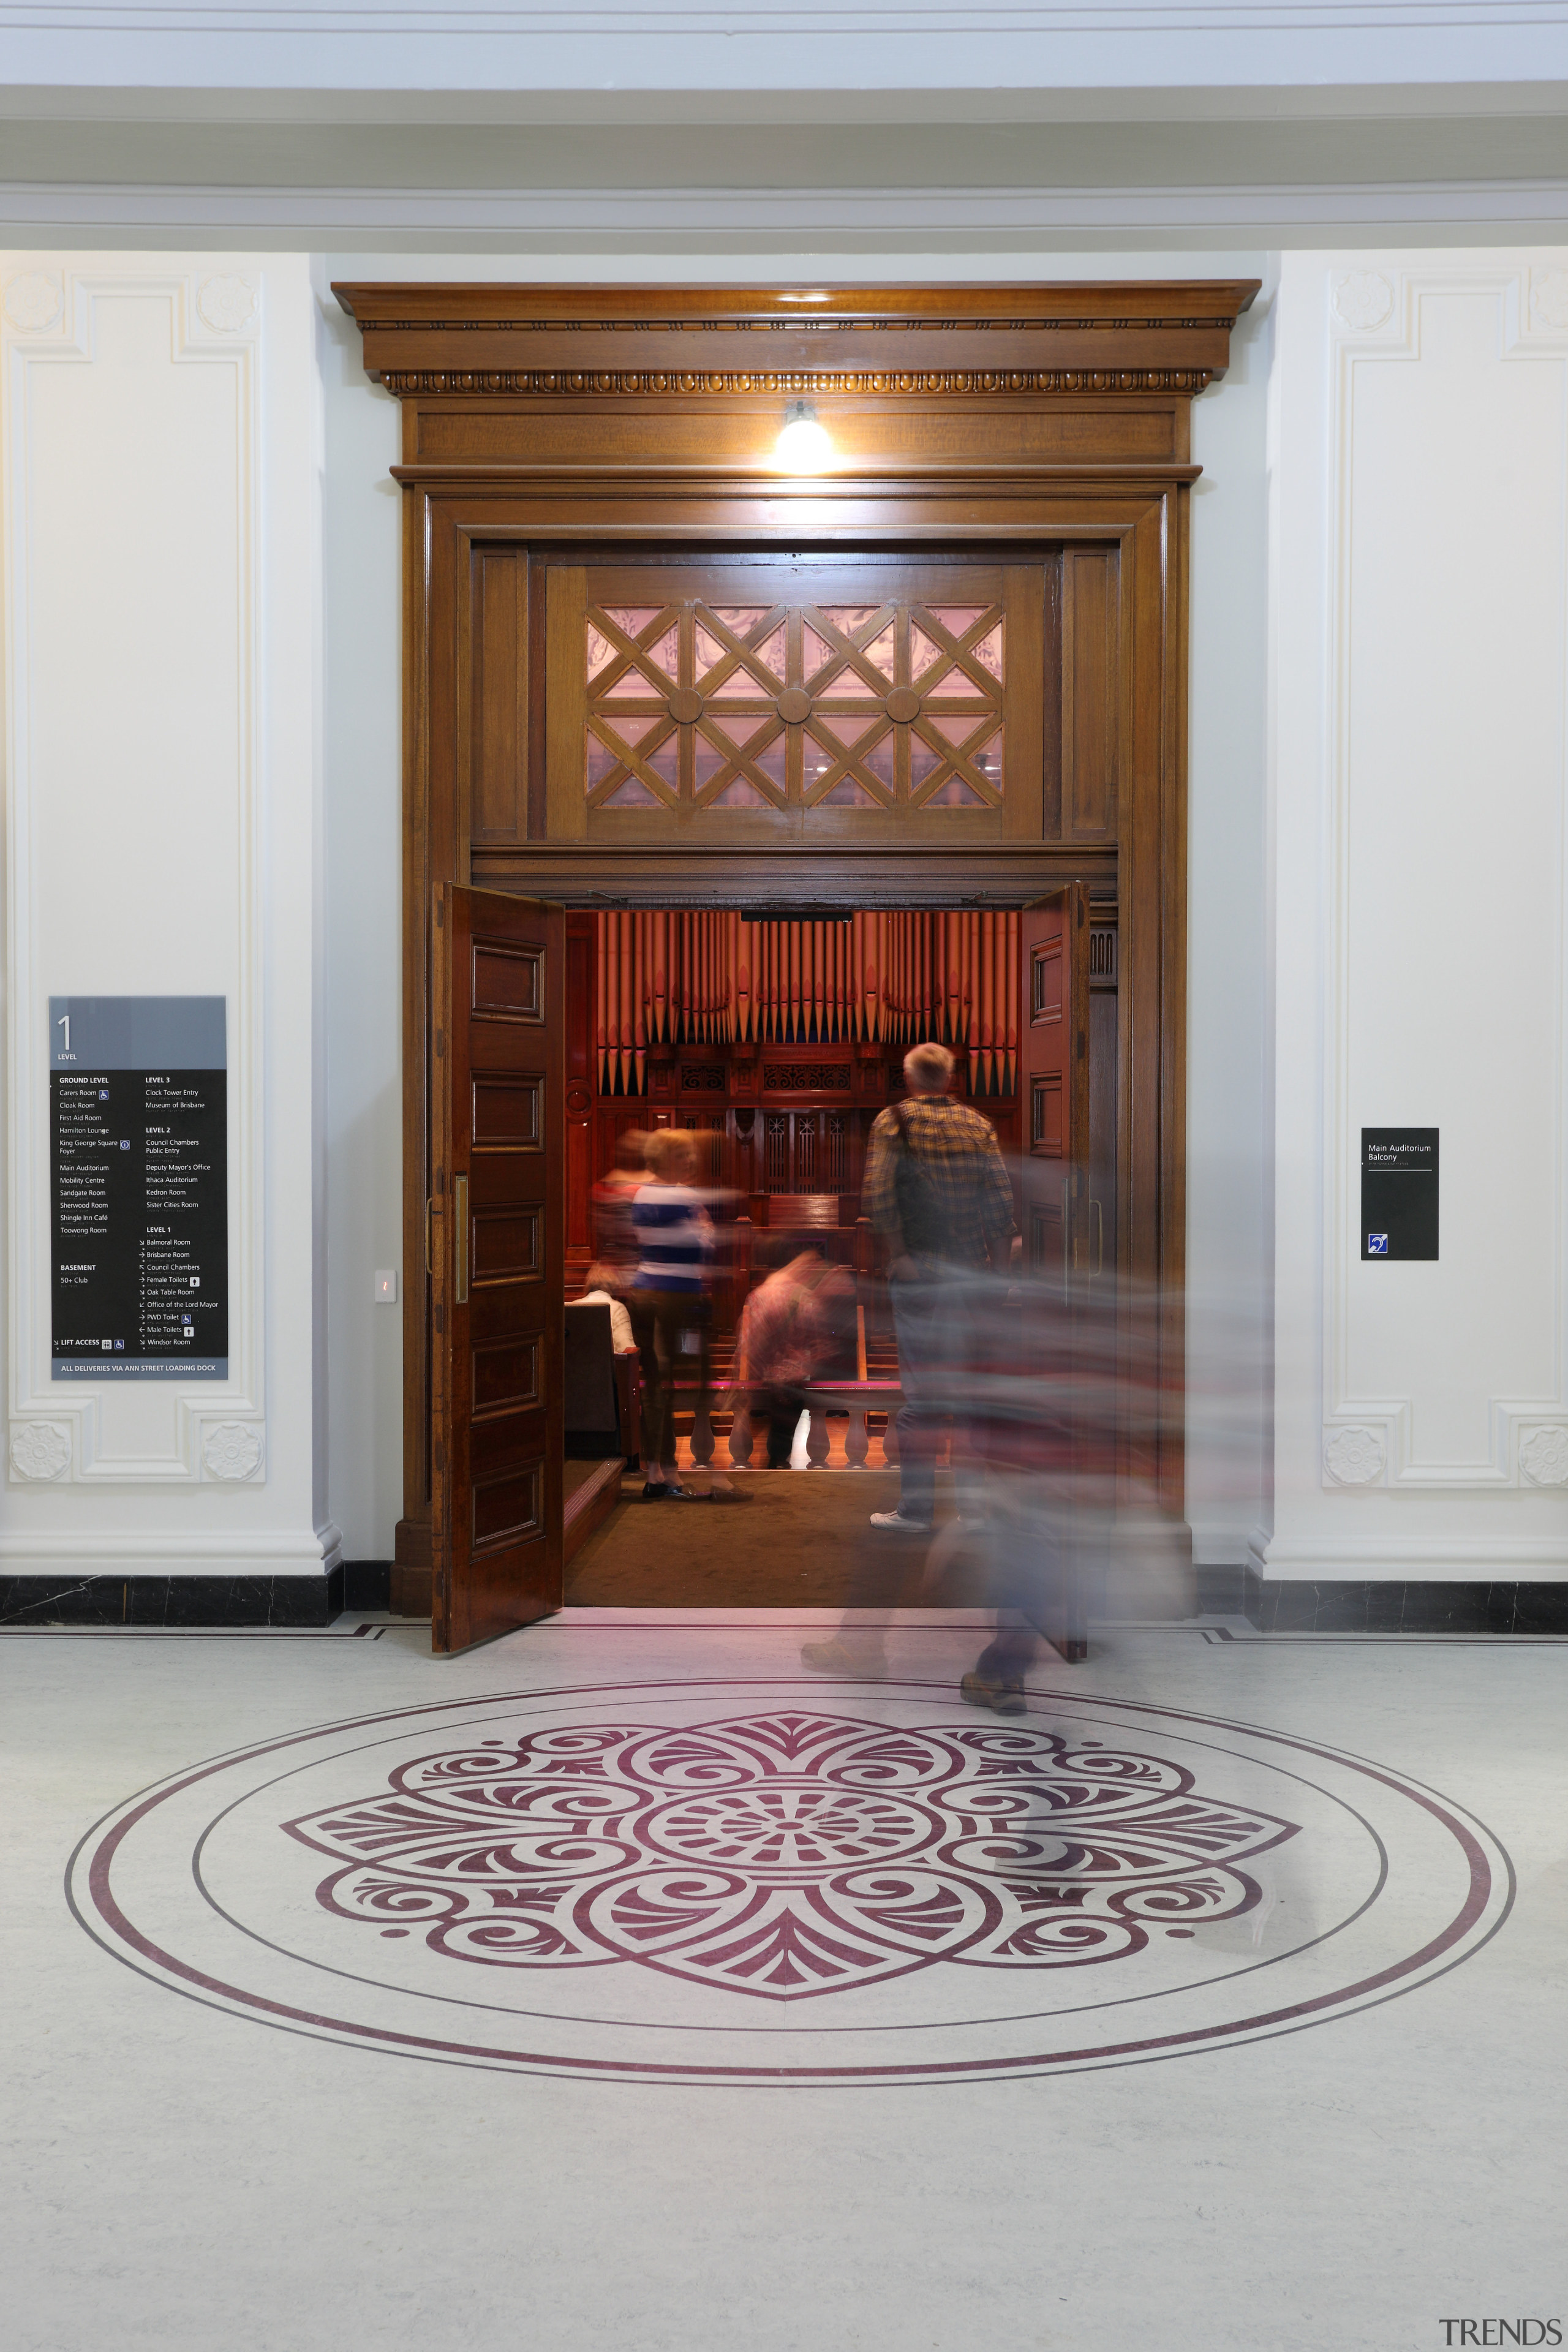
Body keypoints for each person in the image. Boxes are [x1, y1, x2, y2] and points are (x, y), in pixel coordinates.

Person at [858, 1039, 1017, 1534]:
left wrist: (900, 1254)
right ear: (951, 1079)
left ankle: (917, 1512)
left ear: (909, 1079)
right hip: (970, 1275)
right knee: (970, 1398)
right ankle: (973, 1511)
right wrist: (998, 1272)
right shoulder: (978, 1125)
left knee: (923, 1401)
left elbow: (878, 1195)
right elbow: (1000, 1202)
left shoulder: (893, 1122)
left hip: (920, 1276)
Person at [628, 1128, 714, 1500]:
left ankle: (657, 1472)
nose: (690, 1162)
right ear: (664, 1158)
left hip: (644, 1292)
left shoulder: (641, 1193)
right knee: (678, 1384)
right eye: (682, 1156)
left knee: (655, 1386)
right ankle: (671, 1472)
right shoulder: (682, 1196)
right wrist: (706, 1229)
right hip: (677, 1297)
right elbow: (699, 1247)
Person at [736, 1235, 853, 1469]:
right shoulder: (805, 1297)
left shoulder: (760, 1295)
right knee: (782, 1438)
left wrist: (753, 1373)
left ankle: (772, 1469)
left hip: (766, 1380)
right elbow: (820, 1345)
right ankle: (779, 1466)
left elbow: (750, 1342)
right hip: (795, 1383)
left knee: (765, 1439)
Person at [591, 1130, 649, 1280]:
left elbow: (599, 1233)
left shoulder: (602, 1187)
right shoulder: (653, 1189)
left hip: (611, 1272)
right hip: (646, 1271)